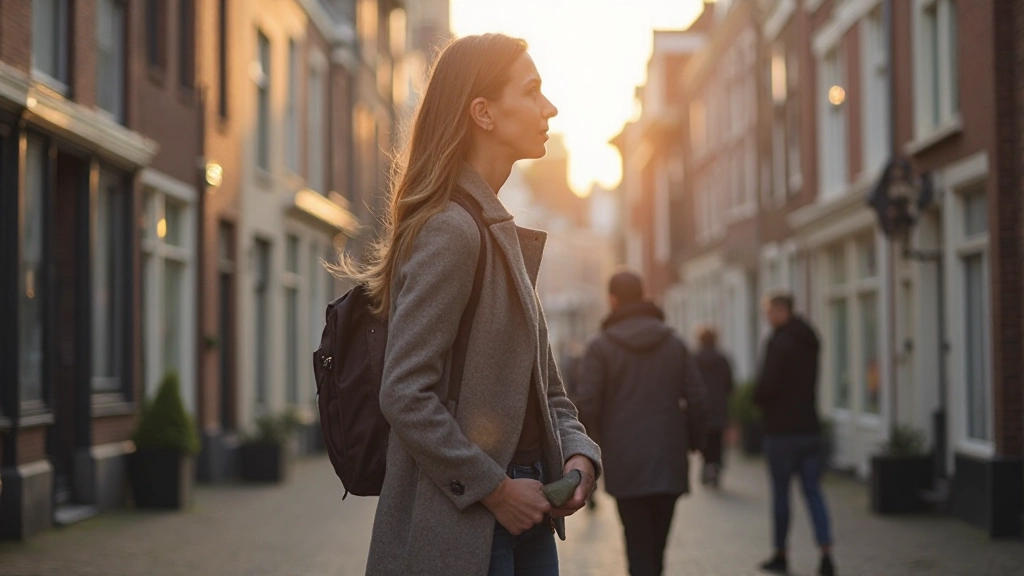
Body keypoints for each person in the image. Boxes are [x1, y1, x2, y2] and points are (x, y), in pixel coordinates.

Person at [335, 33, 602, 576]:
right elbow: (405, 393)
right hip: (467, 524)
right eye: (531, 91)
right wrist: (496, 490)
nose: (549, 107)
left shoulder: (495, 229)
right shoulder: (452, 231)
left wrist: (579, 453)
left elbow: (547, 390)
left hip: (526, 508)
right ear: (483, 112)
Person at [574, 271, 708, 576]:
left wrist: (591, 451)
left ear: (612, 300)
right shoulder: (673, 342)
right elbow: (698, 399)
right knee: (657, 549)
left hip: (625, 459)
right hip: (669, 456)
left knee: (637, 545)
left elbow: (588, 405)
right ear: (644, 295)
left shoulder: (600, 346)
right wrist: (694, 443)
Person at [754, 293, 836, 576]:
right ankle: (826, 553)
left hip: (781, 431)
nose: (767, 317)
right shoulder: (810, 339)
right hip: (810, 428)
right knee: (814, 492)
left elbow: (767, 386)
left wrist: (757, 399)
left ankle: (781, 554)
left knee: (781, 495)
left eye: (769, 311)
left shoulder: (778, 342)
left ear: (781, 310)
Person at [693, 325, 734, 488]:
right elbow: (730, 383)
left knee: (704, 440)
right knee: (717, 441)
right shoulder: (722, 359)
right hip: (719, 407)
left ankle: (706, 466)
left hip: (701, 407)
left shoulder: (694, 359)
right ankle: (715, 468)